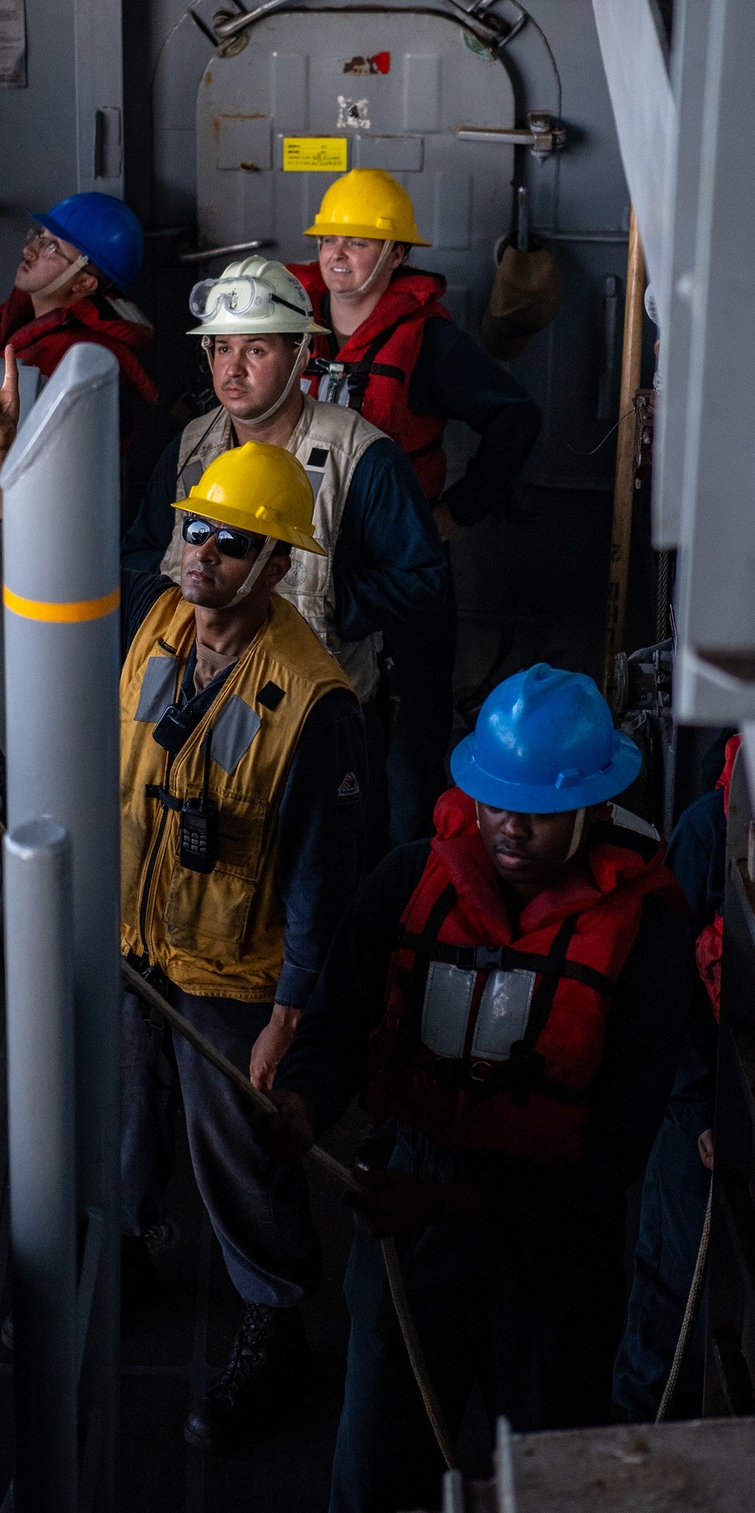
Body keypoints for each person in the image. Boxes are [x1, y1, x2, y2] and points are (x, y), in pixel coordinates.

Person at [262, 664, 693, 1512]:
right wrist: (303, 1101)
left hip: (553, 1256)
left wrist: (452, 1205)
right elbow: (341, 1018)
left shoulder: (648, 937)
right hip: (408, 1231)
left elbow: (614, 1152)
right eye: (496, 800)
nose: (509, 826)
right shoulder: (410, 879)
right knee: (378, 1465)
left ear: (594, 808)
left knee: (548, 1474)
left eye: (536, 810)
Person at [119, 442, 368, 1449]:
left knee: (241, 1153)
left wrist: (288, 1022)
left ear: (275, 567)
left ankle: (274, 1314)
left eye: (234, 543)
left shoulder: (314, 703)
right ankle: (132, 1243)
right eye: (195, 529)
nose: (202, 555)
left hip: (234, 970)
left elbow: (324, 884)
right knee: (123, 1113)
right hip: (134, 939)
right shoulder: (154, 622)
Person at [121, 255, 448, 849]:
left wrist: (328, 598)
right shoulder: (189, 447)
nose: (233, 369)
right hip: (196, 712)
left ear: (300, 354)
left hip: (316, 723)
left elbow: (423, 581)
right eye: (221, 349)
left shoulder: (360, 456)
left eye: (256, 350)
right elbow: (141, 556)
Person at [287, 169, 543, 842]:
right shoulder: (287, 320)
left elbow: (516, 417)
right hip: (300, 561)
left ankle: (407, 890)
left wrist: (456, 513)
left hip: (399, 568)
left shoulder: (430, 344)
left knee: (408, 746)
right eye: (329, 239)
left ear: (398, 256)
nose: (337, 255)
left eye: (361, 243)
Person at [612, 734, 735, 1421]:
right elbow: (668, 993)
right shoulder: (711, 828)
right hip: (704, 1123)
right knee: (672, 1316)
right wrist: (696, 1109)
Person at [0, 191, 158, 451]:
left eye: (52, 246)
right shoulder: (11, 323)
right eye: (39, 237)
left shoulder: (80, 358)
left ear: (84, 282)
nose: (29, 250)